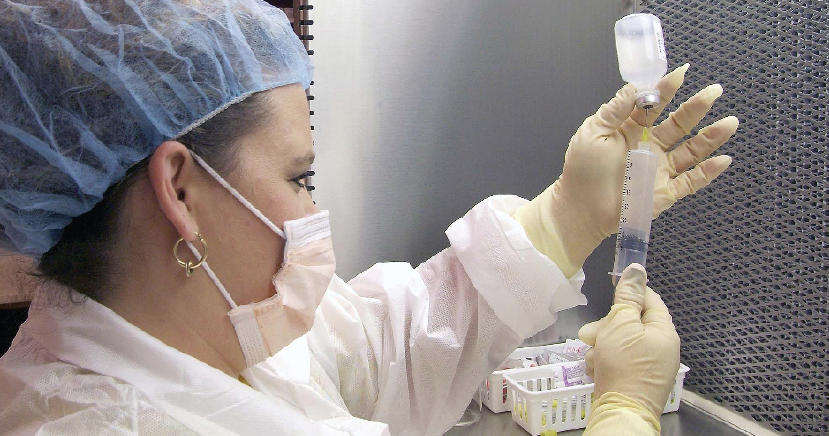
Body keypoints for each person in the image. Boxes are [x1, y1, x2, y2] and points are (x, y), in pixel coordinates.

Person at [0, 1, 738, 435]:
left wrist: (566, 217)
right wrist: (623, 412)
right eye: (298, 178)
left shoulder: (213, 334)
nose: (314, 212)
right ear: (180, 191)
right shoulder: (93, 424)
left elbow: (387, 350)